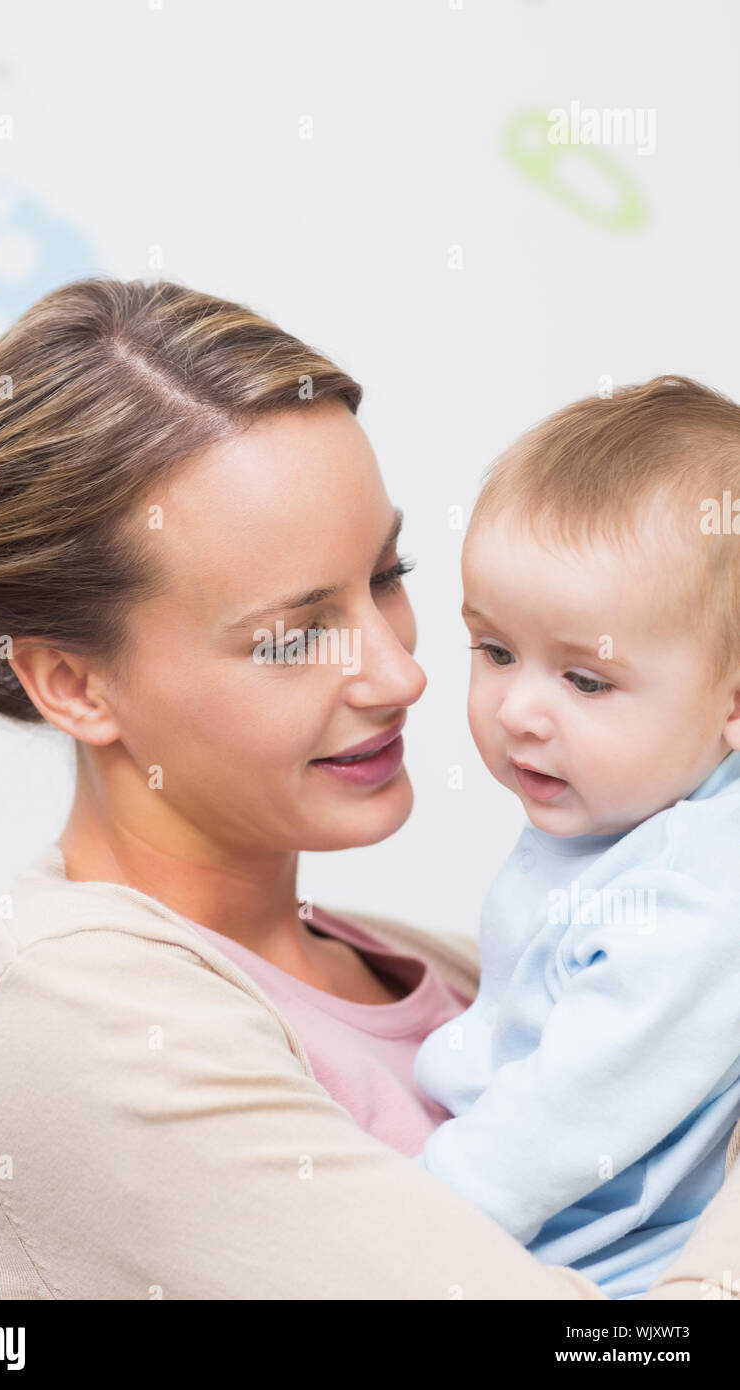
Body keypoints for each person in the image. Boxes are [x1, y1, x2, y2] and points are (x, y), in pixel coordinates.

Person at [0, 281, 740, 1298]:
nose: (400, 674)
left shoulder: (461, 963)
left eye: (387, 575)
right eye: (294, 635)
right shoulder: (77, 1018)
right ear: (73, 682)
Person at [413, 377, 740, 1299]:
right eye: (497, 651)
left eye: (586, 681)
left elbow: (562, 1121)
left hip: (597, 1279)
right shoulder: (634, 816)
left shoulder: (695, 901)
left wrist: (403, 1226)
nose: (520, 710)